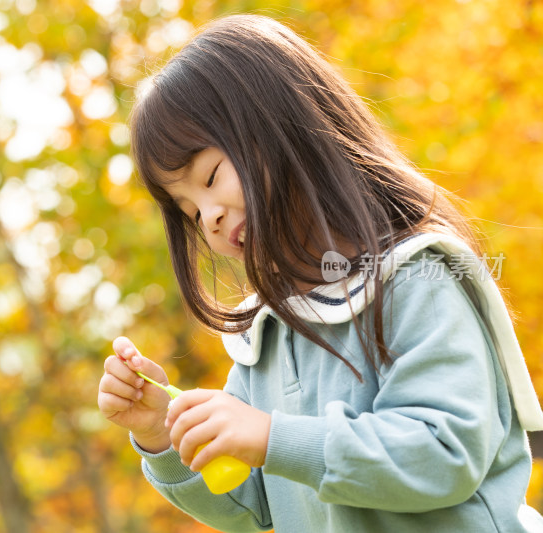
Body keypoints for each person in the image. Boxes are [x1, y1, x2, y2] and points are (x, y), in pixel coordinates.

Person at [97, 13, 543, 533]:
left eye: (212, 177)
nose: (210, 216)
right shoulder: (267, 332)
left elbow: (444, 452)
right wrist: (162, 434)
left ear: (282, 126)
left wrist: (272, 437)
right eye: (190, 210)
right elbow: (250, 506)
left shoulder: (416, 276)